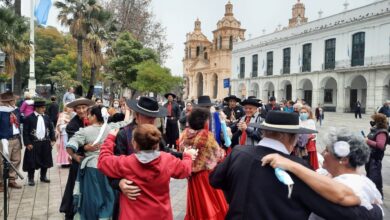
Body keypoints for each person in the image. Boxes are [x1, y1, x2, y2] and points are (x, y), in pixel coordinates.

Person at [209, 111, 383, 220]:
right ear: (288, 137)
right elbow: (334, 211)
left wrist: (238, 197)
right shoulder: (299, 168)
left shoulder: (239, 152)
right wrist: (375, 211)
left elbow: (215, 180)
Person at [262, 127, 383, 220]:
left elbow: (342, 195)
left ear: (344, 160)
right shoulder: (329, 174)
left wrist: (291, 165)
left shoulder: (354, 184)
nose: (322, 153)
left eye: (327, 150)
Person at [98, 124, 197, 220]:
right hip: (160, 215)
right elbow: (185, 170)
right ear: (157, 144)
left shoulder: (126, 163)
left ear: (134, 144)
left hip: (132, 216)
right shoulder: (167, 160)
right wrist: (187, 156)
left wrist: (110, 139)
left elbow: (103, 162)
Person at [110, 96, 182, 220]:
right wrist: (119, 183)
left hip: (154, 199)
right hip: (131, 197)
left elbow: (166, 154)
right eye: (148, 117)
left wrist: (185, 155)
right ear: (137, 116)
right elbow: (111, 165)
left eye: (153, 118)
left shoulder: (154, 133)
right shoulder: (123, 134)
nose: (152, 121)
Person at [65, 105, 131, 219]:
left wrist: (75, 157)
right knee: (108, 195)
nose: (88, 117)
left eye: (89, 115)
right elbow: (126, 122)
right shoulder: (111, 127)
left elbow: (70, 146)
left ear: (94, 116)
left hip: (91, 168)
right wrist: (129, 111)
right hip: (109, 167)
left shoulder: (84, 131)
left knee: (92, 197)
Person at [179, 107, 227, 220]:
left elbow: (182, 151)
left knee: (196, 203)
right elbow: (219, 155)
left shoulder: (184, 134)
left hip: (192, 175)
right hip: (206, 175)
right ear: (204, 121)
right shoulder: (206, 135)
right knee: (211, 202)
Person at [59, 98, 95, 220]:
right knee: (74, 185)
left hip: (93, 160)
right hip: (79, 159)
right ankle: (70, 212)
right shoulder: (72, 125)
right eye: (78, 108)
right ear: (75, 110)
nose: (81, 110)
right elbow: (72, 144)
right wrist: (76, 154)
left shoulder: (94, 120)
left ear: (88, 108)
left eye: (83, 107)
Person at [22, 100, 56, 186]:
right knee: (31, 161)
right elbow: (25, 132)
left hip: (45, 142)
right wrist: (27, 143)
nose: (44, 109)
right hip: (33, 143)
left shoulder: (47, 117)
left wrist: (53, 139)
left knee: (45, 160)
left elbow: (51, 129)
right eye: (42, 108)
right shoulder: (29, 118)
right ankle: (31, 178)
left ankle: (43, 176)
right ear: (36, 108)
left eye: (44, 107)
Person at [0, 91, 23, 190]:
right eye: (14, 100)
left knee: (16, 160)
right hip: (4, 139)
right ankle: (1, 182)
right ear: (8, 101)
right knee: (2, 162)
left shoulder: (16, 110)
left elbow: (21, 120)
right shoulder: (1, 111)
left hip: (16, 137)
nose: (15, 101)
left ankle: (12, 180)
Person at [365, 113, 389, 197]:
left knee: (374, 177)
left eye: (374, 120)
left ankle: (378, 195)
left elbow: (380, 145)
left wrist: (367, 141)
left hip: (375, 158)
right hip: (370, 156)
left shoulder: (381, 132)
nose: (372, 122)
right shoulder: (376, 130)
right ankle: (371, 194)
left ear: (378, 121)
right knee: (370, 175)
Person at [295, 105, 319, 170]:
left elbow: (314, 134)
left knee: (307, 161)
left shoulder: (311, 122)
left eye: (305, 112)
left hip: (308, 145)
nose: (303, 114)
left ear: (308, 113)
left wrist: (307, 137)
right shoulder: (297, 121)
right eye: (301, 112)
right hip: (298, 144)